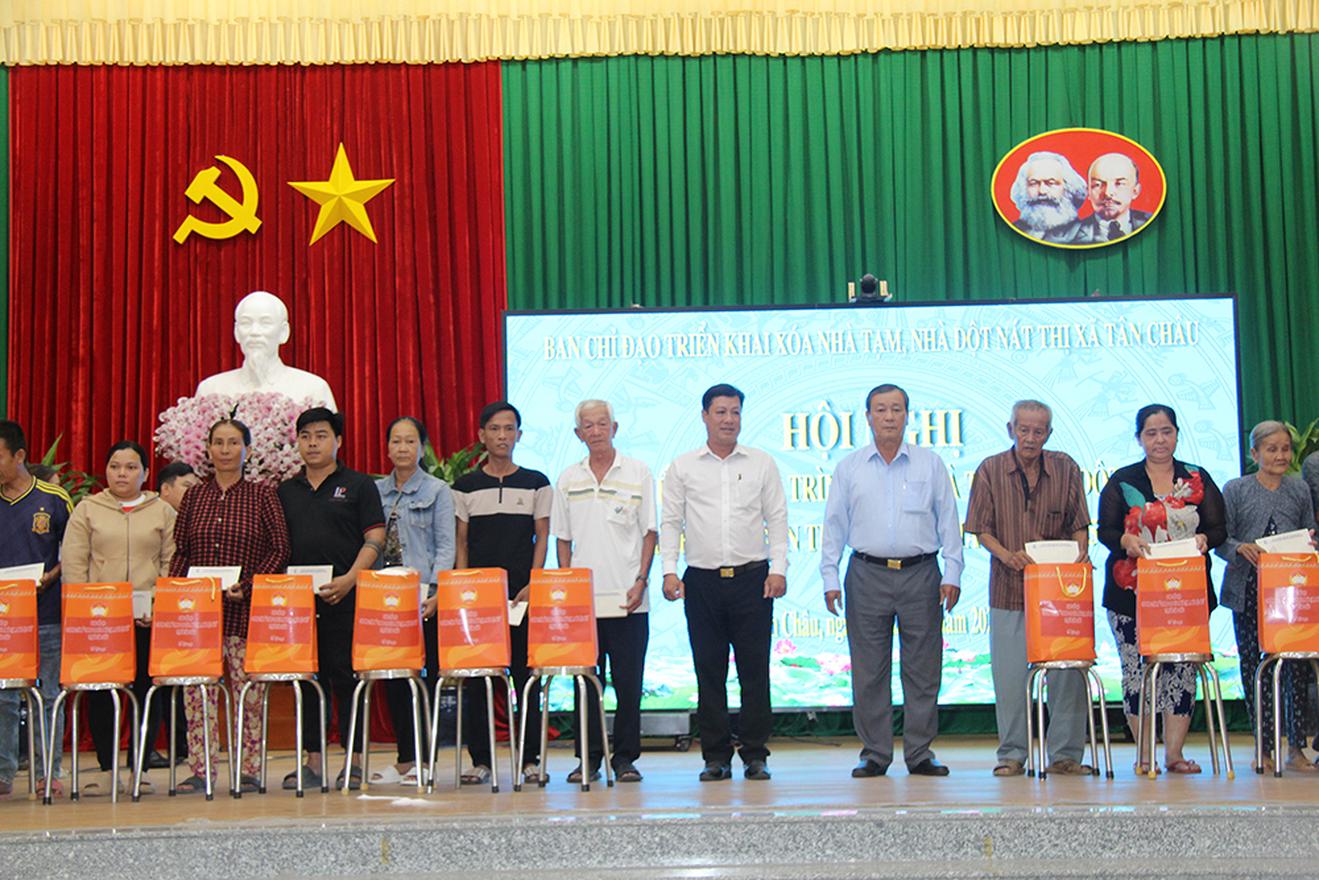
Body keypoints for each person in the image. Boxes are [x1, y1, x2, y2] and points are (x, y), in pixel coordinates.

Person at [821, 384, 962, 778]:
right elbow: (834, 524)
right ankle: (875, 753)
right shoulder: (849, 467)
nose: (888, 417)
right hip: (866, 574)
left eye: (896, 409)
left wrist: (953, 572)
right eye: (880, 409)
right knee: (869, 670)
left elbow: (949, 521)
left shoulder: (930, 464)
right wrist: (830, 576)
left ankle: (920, 752)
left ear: (907, 415)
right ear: (867, 417)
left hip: (922, 574)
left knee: (923, 669)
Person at [661, 384, 787, 782]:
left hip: (753, 580)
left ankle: (755, 754)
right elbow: (671, 522)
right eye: (720, 412)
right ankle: (715, 756)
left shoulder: (762, 463)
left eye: (735, 412)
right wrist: (668, 569)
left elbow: (777, 518)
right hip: (702, 582)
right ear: (705, 416)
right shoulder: (683, 466)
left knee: (755, 671)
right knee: (709, 671)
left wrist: (779, 568)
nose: (728, 420)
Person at [964, 401, 1092, 777]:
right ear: (1011, 429)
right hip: (1009, 587)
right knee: (1010, 679)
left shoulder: (1066, 468)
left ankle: (1065, 755)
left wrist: (1079, 554)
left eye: (1038, 431)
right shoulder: (990, 469)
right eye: (1024, 430)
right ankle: (1012, 755)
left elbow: (1079, 524)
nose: (1030, 438)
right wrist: (1006, 555)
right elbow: (980, 528)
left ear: (1049, 434)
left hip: (1060, 592)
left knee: (1067, 675)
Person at [1097, 403, 1226, 775]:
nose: (1159, 440)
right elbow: (1105, 530)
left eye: (1166, 431)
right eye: (1151, 433)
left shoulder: (1196, 477)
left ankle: (1174, 754)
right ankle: (1144, 754)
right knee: (1136, 672)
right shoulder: (1123, 480)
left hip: (1185, 594)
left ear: (1177, 435)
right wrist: (1125, 540)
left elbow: (1219, 528)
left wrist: (1204, 539)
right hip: (1131, 594)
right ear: (1139, 438)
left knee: (1181, 671)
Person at [170, 418, 289, 794]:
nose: (225, 450)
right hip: (200, 617)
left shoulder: (262, 495)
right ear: (207, 449)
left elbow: (280, 549)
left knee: (248, 694)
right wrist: (179, 595)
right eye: (218, 442)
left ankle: (249, 769)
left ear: (247, 450)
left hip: (244, 612)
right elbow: (181, 551)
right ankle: (200, 769)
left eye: (233, 442)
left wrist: (249, 586)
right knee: (197, 693)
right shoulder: (194, 497)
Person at [277, 407, 385, 791]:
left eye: (321, 436)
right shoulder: (285, 490)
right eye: (305, 436)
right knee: (309, 680)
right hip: (299, 603)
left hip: (347, 596)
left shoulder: (359, 485)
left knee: (346, 678)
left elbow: (375, 537)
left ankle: (354, 760)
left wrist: (351, 579)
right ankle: (312, 761)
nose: (312, 443)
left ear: (337, 441)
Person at [61, 441, 177, 796]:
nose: (122, 474)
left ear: (145, 473)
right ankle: (108, 768)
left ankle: (140, 769)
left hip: (147, 619)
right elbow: (74, 563)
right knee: (101, 693)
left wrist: (156, 604)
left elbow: (171, 562)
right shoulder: (88, 509)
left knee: (146, 692)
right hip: (101, 621)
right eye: (115, 466)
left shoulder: (162, 512)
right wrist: (84, 609)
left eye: (130, 467)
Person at [552, 400, 657, 784]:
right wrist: (567, 588)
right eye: (588, 426)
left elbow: (650, 533)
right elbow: (563, 540)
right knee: (584, 685)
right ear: (578, 433)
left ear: (614, 428)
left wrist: (641, 580)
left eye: (602, 424)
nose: (595, 431)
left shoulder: (638, 472)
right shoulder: (568, 479)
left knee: (629, 685)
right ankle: (589, 758)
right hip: (584, 604)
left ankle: (625, 758)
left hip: (629, 600)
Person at [451, 401, 552, 785]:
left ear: (519, 435)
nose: (502, 436)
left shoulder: (536, 481)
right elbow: (461, 542)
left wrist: (534, 582)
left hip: (523, 596)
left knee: (527, 679)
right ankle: (481, 761)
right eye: (494, 429)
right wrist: (463, 589)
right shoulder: (464, 486)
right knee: (478, 680)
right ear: (482, 435)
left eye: (509, 429)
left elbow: (542, 536)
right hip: (479, 599)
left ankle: (529, 760)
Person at [1216, 421, 1317, 772]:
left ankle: (1296, 748)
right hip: (1247, 590)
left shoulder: (1299, 488)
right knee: (1252, 667)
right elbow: (1221, 540)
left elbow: (1309, 532)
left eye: (1285, 449)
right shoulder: (1236, 489)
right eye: (1271, 449)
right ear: (1254, 453)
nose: (1280, 456)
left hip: (1291, 593)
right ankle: (1265, 746)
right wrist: (1239, 548)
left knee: (1296, 667)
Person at [372, 416, 454, 786]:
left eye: (410, 441)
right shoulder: (375, 491)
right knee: (394, 680)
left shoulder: (438, 491)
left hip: (425, 598)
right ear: (387, 447)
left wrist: (437, 592)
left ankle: (426, 759)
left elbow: (446, 545)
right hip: (385, 600)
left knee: (427, 680)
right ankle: (405, 759)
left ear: (422, 447)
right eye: (396, 441)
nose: (402, 448)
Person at [0, 420, 71, 800]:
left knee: (48, 694)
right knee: (3, 698)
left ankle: (48, 774)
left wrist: (50, 576)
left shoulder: (54, 498)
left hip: (47, 614)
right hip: (3, 619)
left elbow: (72, 552)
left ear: (20, 456)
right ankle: (3, 772)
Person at [195, 290, 337, 409]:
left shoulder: (313, 389)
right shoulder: (212, 390)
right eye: (246, 323)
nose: (254, 332)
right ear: (237, 332)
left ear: (284, 332)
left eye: (265, 323)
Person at [1057, 153, 1153, 243]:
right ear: (1088, 191)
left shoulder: (1153, 223)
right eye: (1097, 185)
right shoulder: (1068, 236)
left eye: (1119, 184)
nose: (1107, 193)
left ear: (1135, 191)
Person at [1008, 151, 1088, 241]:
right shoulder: (1011, 231)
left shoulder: (1085, 234)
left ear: (1068, 188)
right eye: (1033, 183)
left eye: (1051, 183)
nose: (1042, 191)